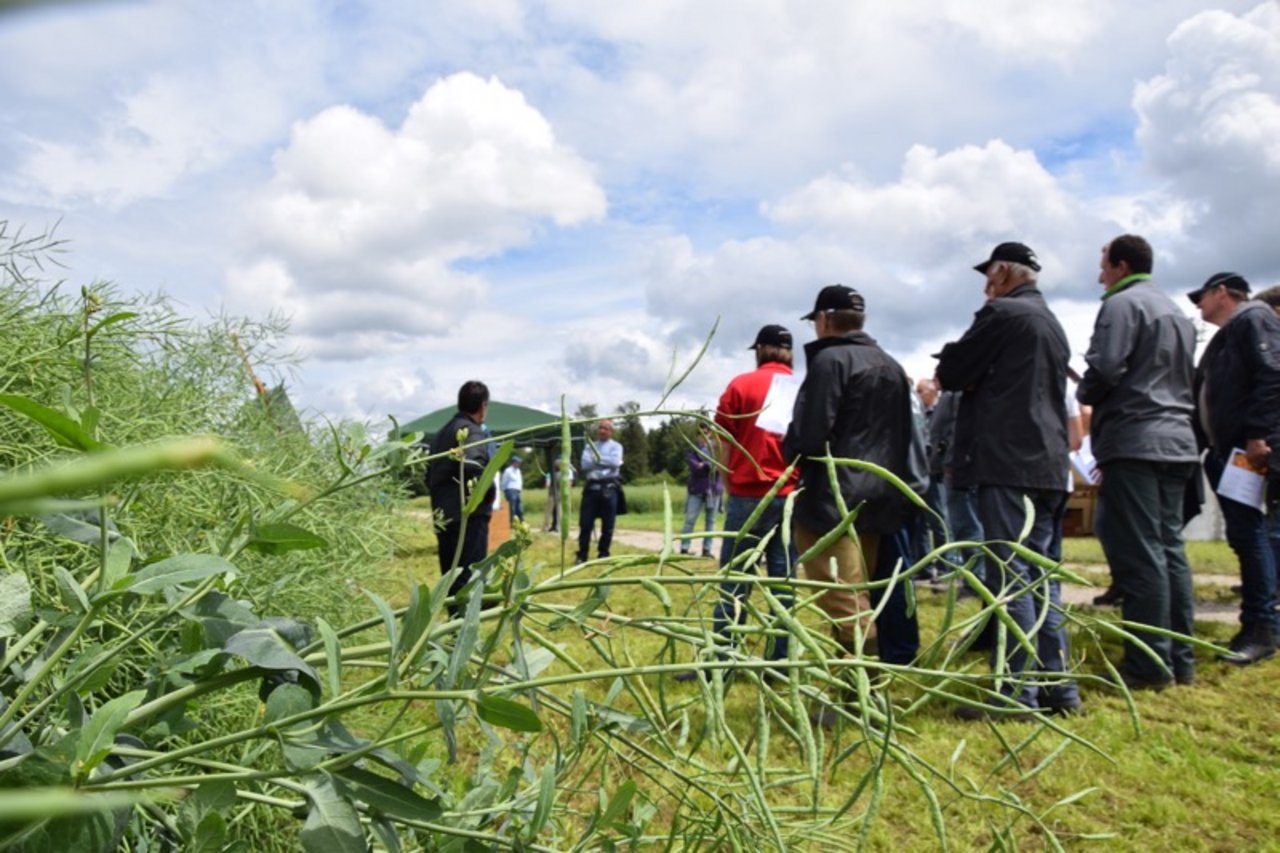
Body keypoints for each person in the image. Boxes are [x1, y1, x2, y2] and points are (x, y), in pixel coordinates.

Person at [936, 242, 1081, 717]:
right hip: (1049, 464)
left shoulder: (1002, 314)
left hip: (1009, 463)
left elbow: (951, 371)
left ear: (1001, 273)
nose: (984, 286)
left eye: (988, 276)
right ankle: (1060, 690)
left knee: (1011, 578)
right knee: (1043, 577)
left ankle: (1017, 694)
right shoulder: (1052, 323)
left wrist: (970, 367)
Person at [1078, 234, 1199, 689]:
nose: (1099, 275)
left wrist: (1084, 390)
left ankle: (1148, 667)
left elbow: (1106, 369)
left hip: (1135, 440)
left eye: (1104, 265)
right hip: (1178, 440)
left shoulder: (1121, 305)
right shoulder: (1178, 314)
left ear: (1122, 266)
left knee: (1139, 554)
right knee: (1170, 550)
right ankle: (1179, 661)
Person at [783, 285, 919, 682]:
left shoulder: (830, 362)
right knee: (859, 593)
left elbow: (810, 436)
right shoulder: (891, 365)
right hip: (879, 498)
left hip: (832, 501)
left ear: (824, 321)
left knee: (844, 602)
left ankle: (861, 693)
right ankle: (852, 685)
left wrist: (788, 445)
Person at [679, 324, 800, 682]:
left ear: (760, 349)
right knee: (784, 581)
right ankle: (779, 667)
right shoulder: (803, 387)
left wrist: (729, 480)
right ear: (790, 351)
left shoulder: (740, 385)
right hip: (789, 493)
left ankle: (723, 661)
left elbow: (722, 440)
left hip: (746, 493)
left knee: (734, 579)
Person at [1188, 272, 1280, 664]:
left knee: (1251, 535)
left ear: (1222, 291)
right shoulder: (1231, 332)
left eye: (1201, 296)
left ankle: (1261, 627)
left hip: (1247, 451)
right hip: (1227, 449)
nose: (1197, 305)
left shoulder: (1253, 318)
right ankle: (1261, 623)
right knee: (1249, 536)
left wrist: (1258, 434)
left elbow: (1272, 375)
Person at [426, 380, 495, 616]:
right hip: (468, 515)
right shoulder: (471, 432)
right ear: (483, 406)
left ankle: (454, 621)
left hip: (443, 514)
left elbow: (429, 474)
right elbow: (473, 464)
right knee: (469, 574)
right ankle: (464, 626)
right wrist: (486, 493)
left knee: (451, 574)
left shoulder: (441, 433)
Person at [577, 419, 624, 563]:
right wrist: (606, 462)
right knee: (585, 524)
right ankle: (582, 554)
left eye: (606, 428)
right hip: (591, 488)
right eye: (600, 428)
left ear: (611, 431)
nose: (602, 430)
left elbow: (616, 462)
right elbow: (584, 464)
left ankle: (603, 554)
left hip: (609, 488)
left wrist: (596, 459)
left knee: (608, 525)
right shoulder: (589, 446)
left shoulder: (616, 446)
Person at [680, 426, 722, 557]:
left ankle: (707, 550)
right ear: (697, 436)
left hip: (713, 489)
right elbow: (695, 469)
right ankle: (684, 549)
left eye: (707, 433)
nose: (704, 436)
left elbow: (718, 467)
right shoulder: (691, 450)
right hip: (696, 489)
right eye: (701, 433)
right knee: (690, 520)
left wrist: (705, 464)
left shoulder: (717, 450)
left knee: (711, 521)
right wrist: (708, 464)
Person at [543, 456, 574, 532]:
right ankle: (556, 527)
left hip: (554, 493)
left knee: (550, 511)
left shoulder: (552, 473)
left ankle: (547, 527)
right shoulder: (564, 473)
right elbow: (569, 483)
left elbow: (547, 485)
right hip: (558, 493)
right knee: (557, 511)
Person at [501, 456, 524, 524]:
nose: (519, 464)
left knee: (519, 507)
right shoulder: (508, 470)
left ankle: (520, 521)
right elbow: (504, 481)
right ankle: (512, 522)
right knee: (512, 508)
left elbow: (520, 480)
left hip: (517, 490)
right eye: (518, 462)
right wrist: (504, 490)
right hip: (510, 490)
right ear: (514, 462)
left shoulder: (518, 471)